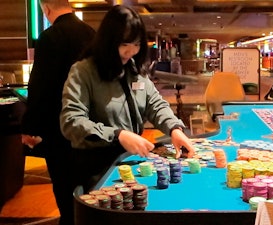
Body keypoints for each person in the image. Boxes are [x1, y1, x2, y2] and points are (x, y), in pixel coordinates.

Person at [59, 5, 196, 193]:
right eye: (125, 44)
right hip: (97, 166)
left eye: (137, 44)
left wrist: (174, 128)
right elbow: (71, 122)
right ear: (108, 41)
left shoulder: (134, 69)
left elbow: (154, 104)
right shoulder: (83, 71)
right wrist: (118, 135)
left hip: (130, 161)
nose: (131, 52)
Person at [20, 0, 95, 224]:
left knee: (64, 189)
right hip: (90, 125)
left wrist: (30, 128)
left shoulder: (50, 37)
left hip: (58, 129)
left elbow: (40, 86)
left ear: (46, 9)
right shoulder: (91, 34)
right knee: (89, 188)